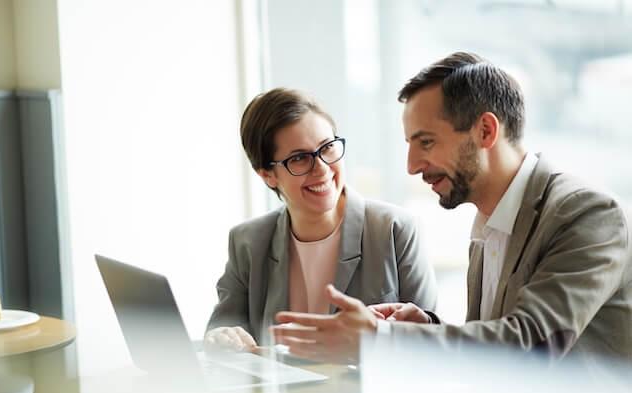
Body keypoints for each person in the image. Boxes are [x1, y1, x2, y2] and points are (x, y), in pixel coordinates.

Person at [272, 52, 632, 365]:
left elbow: (533, 346)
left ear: (486, 132)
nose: (412, 165)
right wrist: (426, 330)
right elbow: (495, 348)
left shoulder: (587, 213)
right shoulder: (490, 219)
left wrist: (383, 340)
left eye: (426, 142)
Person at [204, 88, 438, 352]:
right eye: (300, 158)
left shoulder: (395, 229)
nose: (323, 169)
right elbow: (222, 328)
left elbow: (430, 342)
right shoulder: (247, 241)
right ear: (267, 175)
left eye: (327, 148)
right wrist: (223, 337)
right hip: (282, 392)